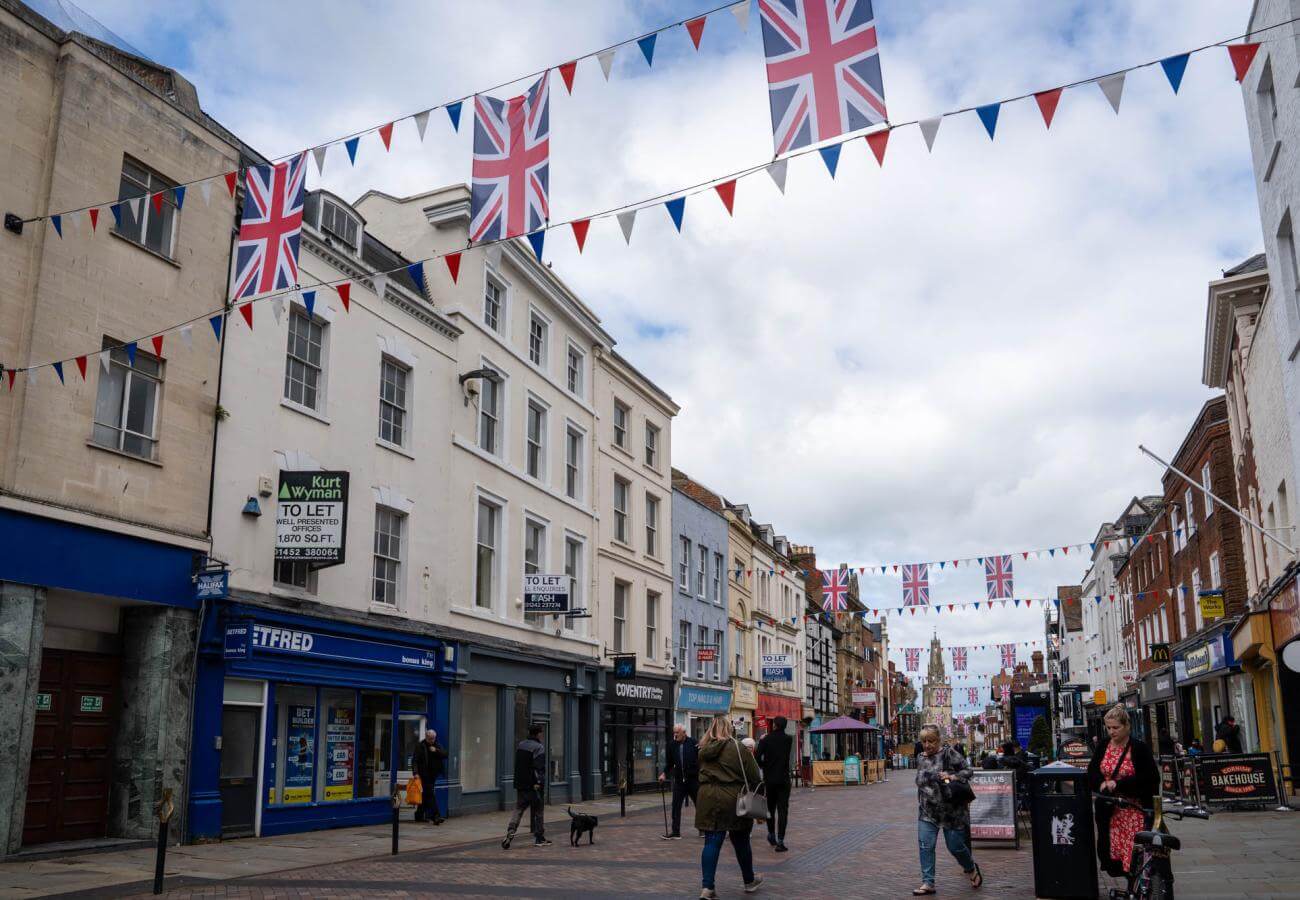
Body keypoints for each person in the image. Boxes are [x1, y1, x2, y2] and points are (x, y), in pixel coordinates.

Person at [695, 714, 764, 899]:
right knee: (741, 840)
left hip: (707, 797)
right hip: (733, 799)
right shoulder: (739, 749)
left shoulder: (703, 749)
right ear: (730, 728)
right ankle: (749, 881)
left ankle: (707, 887)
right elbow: (755, 777)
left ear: (712, 729)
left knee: (711, 841)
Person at [1086, 705, 1158, 878]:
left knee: (1134, 853)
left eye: (1116, 727)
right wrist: (1101, 784)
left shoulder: (1139, 748)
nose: (1112, 731)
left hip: (1134, 810)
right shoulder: (1103, 746)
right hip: (1110, 811)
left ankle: (1136, 886)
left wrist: (1118, 785)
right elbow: (1092, 771)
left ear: (1127, 726)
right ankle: (1129, 887)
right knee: (1113, 855)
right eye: (1108, 727)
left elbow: (1151, 778)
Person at [913, 725, 981, 895]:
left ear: (938, 740)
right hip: (928, 810)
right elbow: (921, 780)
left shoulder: (949, 753)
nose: (927, 745)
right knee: (925, 846)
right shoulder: (920, 757)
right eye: (924, 741)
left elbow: (968, 771)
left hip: (952, 811)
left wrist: (952, 776)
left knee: (956, 847)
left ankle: (971, 868)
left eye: (931, 741)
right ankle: (928, 882)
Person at [502, 724, 551, 849]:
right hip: (533, 785)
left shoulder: (521, 745)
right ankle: (539, 838)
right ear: (538, 733)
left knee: (519, 809)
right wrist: (539, 783)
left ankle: (511, 830)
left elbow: (518, 765)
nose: (542, 735)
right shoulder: (539, 747)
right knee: (538, 811)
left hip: (520, 784)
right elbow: (539, 768)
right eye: (541, 732)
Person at [755, 716, 793, 852]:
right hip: (783, 779)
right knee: (783, 810)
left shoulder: (766, 740)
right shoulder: (789, 739)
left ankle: (771, 834)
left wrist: (765, 766)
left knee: (770, 808)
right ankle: (780, 841)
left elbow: (757, 757)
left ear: (775, 725)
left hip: (769, 779)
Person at [660, 724, 701, 840]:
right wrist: (664, 774)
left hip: (693, 780)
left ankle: (703, 829)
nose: (675, 735)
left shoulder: (693, 742)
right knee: (676, 806)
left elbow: (701, 759)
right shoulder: (671, 745)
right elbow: (669, 763)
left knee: (700, 805)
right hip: (679, 781)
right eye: (674, 733)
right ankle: (676, 832)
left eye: (677, 733)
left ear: (684, 732)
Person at [413, 728, 447, 825]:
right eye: (430, 739)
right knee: (430, 794)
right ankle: (436, 816)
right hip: (424, 774)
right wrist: (415, 773)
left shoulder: (437, 745)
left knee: (426, 795)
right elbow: (415, 760)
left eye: (433, 738)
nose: (432, 740)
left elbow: (445, 754)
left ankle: (418, 815)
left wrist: (436, 750)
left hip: (433, 775)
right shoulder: (420, 745)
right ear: (427, 737)